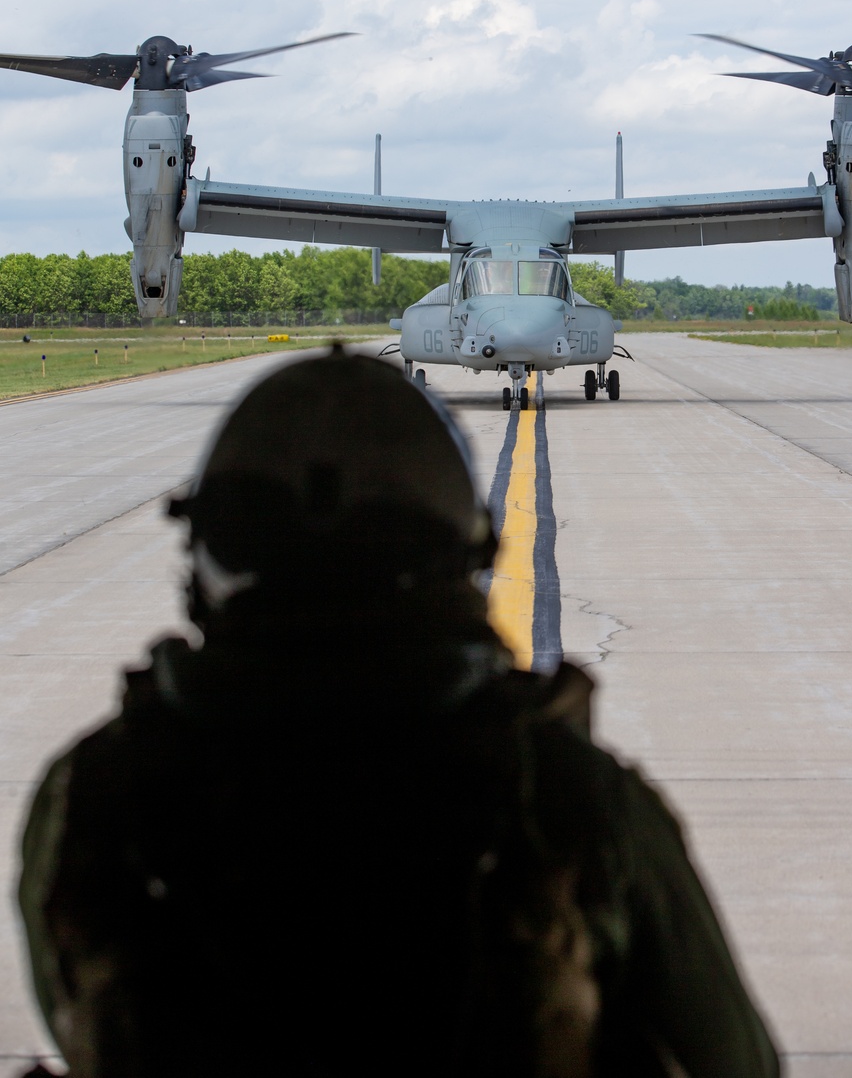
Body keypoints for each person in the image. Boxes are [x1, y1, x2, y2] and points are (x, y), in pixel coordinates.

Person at [19, 346, 780, 1077]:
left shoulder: (95, 791)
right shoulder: (570, 796)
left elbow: (76, 1018)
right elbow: (735, 1060)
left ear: (209, 548)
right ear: (465, 553)